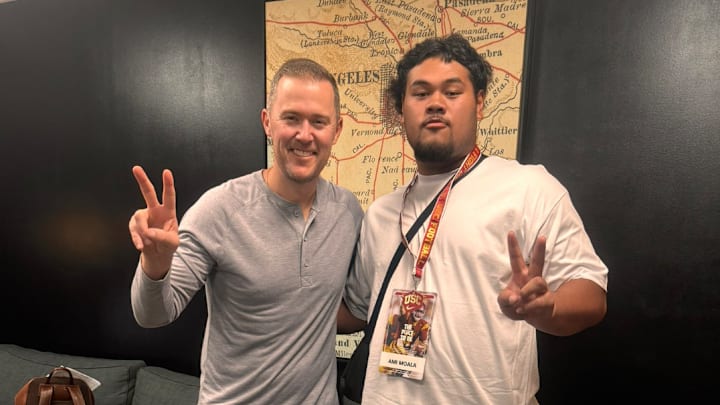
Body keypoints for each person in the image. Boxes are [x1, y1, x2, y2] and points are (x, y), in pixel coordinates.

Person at [338, 33, 608, 404]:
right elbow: (355, 309)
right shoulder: (382, 212)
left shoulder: (528, 188)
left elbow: (592, 294)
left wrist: (548, 310)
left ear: (479, 103)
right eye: (420, 93)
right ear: (401, 110)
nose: (435, 103)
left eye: (452, 92)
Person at [129, 58, 364, 404]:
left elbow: (332, 310)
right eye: (291, 118)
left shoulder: (348, 213)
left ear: (337, 130)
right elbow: (152, 315)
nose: (305, 134)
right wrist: (155, 263)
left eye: (319, 121)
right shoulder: (220, 209)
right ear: (267, 122)